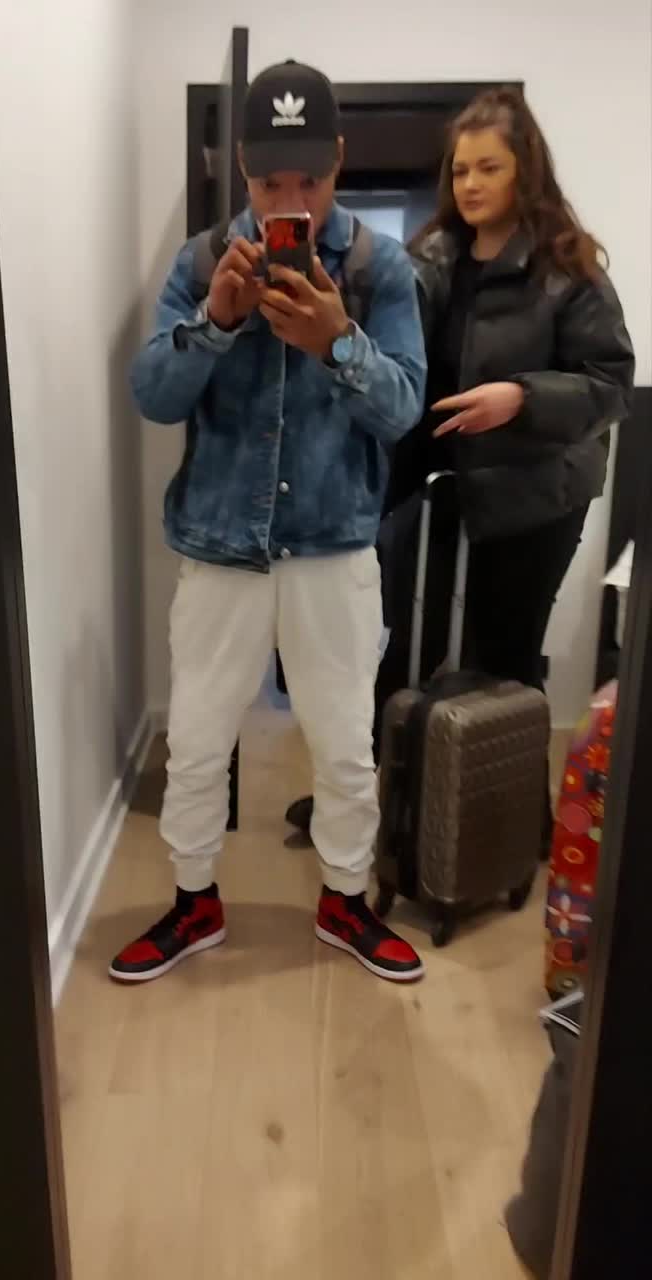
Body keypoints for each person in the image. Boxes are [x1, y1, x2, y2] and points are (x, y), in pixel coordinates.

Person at [109, 60, 428, 985]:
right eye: (269, 183)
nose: (291, 203)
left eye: (310, 181)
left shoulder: (379, 269)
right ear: (242, 169)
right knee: (198, 741)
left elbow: (404, 408)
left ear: (338, 159)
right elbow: (152, 395)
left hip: (334, 546)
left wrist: (336, 342)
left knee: (344, 746)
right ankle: (193, 901)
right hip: (219, 546)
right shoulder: (202, 263)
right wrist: (215, 320)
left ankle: (344, 900)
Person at [287, 85, 635, 855]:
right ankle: (359, 803)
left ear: (525, 171)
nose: (470, 184)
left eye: (489, 168)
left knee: (503, 656)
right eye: (461, 169)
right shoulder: (429, 258)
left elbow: (610, 384)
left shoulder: (567, 269)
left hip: (535, 493)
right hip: (439, 486)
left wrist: (521, 398)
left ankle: (513, 828)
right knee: (396, 647)